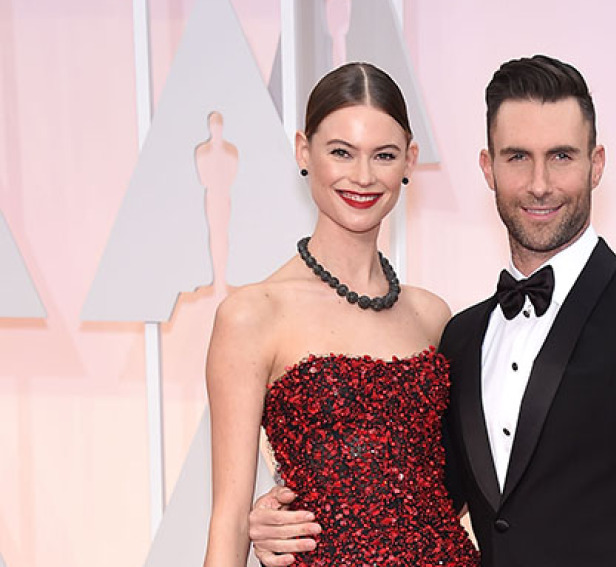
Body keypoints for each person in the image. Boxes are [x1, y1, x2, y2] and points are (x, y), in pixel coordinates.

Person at [249, 54, 616, 567]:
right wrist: (281, 515)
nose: (540, 183)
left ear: (597, 165)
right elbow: (415, 496)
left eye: (563, 156)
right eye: (518, 157)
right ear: (488, 168)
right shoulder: (462, 335)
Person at [202, 62, 479, 567]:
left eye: (385, 155)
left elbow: (453, 488)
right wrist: (258, 522)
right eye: (341, 153)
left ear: (410, 161)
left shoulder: (433, 316)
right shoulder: (252, 315)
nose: (363, 176)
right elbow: (227, 520)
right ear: (304, 151)